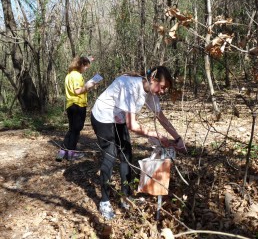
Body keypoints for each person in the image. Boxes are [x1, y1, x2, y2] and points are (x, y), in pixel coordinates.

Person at [90, 66, 185, 220]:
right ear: (153, 79)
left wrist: (178, 138)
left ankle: (125, 196)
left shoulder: (150, 92)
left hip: (118, 118)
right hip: (102, 116)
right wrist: (157, 135)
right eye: (162, 87)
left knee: (126, 155)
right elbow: (132, 126)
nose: (163, 91)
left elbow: (161, 117)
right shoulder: (130, 86)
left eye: (165, 89)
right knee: (110, 156)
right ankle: (105, 201)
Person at [56, 56, 97, 161]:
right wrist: (89, 85)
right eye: (86, 66)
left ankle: (62, 152)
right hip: (78, 105)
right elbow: (77, 91)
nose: (86, 69)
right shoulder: (76, 75)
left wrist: (88, 58)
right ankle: (71, 154)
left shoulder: (69, 75)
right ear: (81, 65)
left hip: (70, 105)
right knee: (76, 130)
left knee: (72, 129)